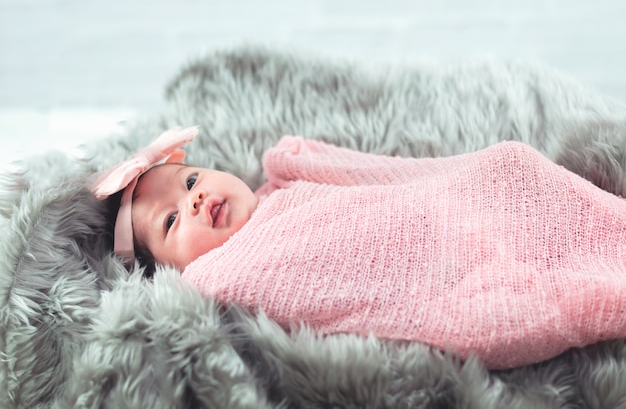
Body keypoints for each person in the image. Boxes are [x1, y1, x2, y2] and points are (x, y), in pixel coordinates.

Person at [94, 126, 626, 369]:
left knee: (508, 165)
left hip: (444, 208)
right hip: (436, 274)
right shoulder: (218, 274)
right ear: (170, 271)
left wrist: (292, 158)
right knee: (512, 305)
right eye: (169, 222)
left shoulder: (276, 188)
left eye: (190, 182)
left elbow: (373, 177)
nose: (195, 200)